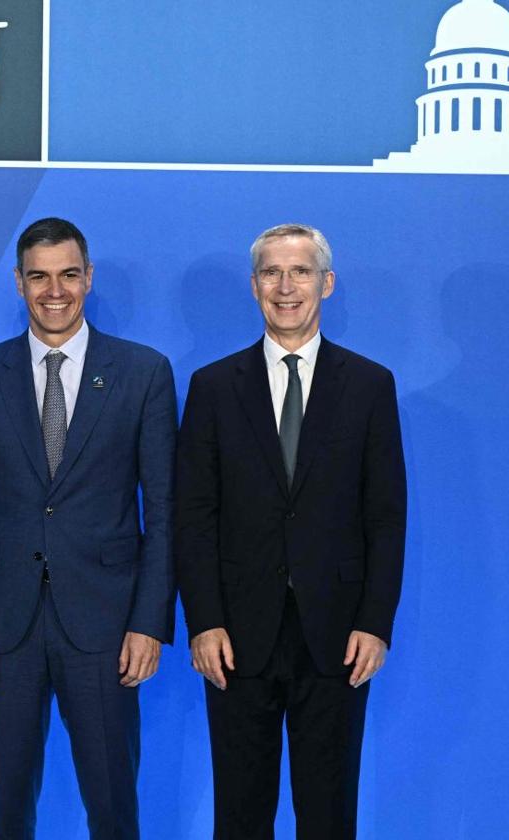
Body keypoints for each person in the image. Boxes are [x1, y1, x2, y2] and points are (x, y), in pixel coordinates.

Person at [0, 217, 176, 839]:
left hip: (104, 629)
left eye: (69, 274)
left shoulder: (143, 373)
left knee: (112, 808)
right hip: (1, 632)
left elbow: (166, 511)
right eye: (39, 277)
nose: (55, 291)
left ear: (88, 278)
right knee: (5, 810)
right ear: (18, 284)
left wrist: (149, 621)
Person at [175, 224, 406, 839]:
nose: (286, 287)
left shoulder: (369, 385)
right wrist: (204, 621)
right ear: (254, 287)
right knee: (241, 816)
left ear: (326, 284)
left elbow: (386, 516)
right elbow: (193, 516)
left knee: (328, 816)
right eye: (272, 274)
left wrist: (374, 623)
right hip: (236, 638)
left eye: (300, 272)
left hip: (337, 637)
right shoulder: (214, 387)